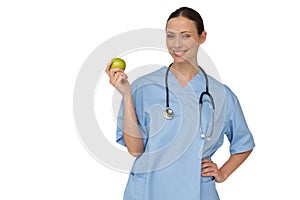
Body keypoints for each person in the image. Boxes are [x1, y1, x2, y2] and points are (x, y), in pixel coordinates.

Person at [106, 7, 255, 200]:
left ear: (202, 37)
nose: (177, 44)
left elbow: (243, 144)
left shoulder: (221, 94)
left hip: (198, 191)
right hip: (148, 191)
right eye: (171, 36)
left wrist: (223, 173)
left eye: (186, 36)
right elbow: (135, 150)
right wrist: (126, 95)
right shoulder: (143, 87)